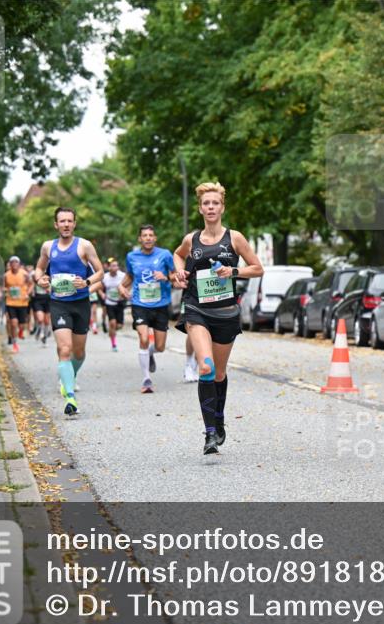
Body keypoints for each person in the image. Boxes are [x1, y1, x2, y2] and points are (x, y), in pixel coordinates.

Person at [173, 182, 264, 454]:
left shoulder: (235, 238)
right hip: (196, 309)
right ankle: (209, 433)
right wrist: (179, 272)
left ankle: (219, 418)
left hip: (225, 312)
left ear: (222, 207)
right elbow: (178, 255)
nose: (210, 207)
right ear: (200, 208)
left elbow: (257, 268)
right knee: (206, 367)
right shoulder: (192, 239)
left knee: (220, 373)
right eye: (206, 204)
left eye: (215, 203)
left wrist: (232, 271)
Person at [32, 207, 105, 416]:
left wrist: (87, 281)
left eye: (69, 221)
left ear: (74, 223)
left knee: (79, 352)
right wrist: (40, 279)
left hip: (81, 304)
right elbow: (39, 268)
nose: (65, 224)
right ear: (56, 224)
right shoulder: (48, 247)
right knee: (64, 349)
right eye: (61, 221)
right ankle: (70, 395)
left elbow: (100, 271)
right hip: (59, 303)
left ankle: (68, 377)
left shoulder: (84, 246)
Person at [120, 225, 177, 393]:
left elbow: (174, 276)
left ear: (155, 238)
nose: (148, 238)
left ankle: (150, 353)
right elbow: (130, 276)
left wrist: (165, 277)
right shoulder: (131, 256)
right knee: (143, 338)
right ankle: (146, 380)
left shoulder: (165, 254)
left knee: (160, 346)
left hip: (160, 305)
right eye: (144, 235)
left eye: (151, 235)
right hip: (140, 304)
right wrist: (121, 287)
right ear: (140, 239)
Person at [2, 256, 31, 353]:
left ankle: (21, 331)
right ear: (10, 264)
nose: (14, 264)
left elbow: (31, 284)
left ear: (19, 264)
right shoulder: (6, 275)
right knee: (13, 323)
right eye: (12, 263)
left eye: (16, 262)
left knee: (22, 325)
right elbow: (3, 287)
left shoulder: (25, 274)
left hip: (22, 303)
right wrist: (4, 290)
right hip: (10, 302)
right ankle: (14, 343)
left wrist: (28, 293)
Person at [101, 258, 126, 352]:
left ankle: (112, 331)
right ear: (109, 267)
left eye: (117, 265)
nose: (116, 267)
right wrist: (102, 294)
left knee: (119, 326)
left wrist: (125, 291)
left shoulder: (122, 275)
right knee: (112, 323)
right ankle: (114, 344)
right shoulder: (105, 277)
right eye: (113, 265)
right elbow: (99, 287)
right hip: (109, 302)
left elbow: (129, 283)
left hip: (120, 302)